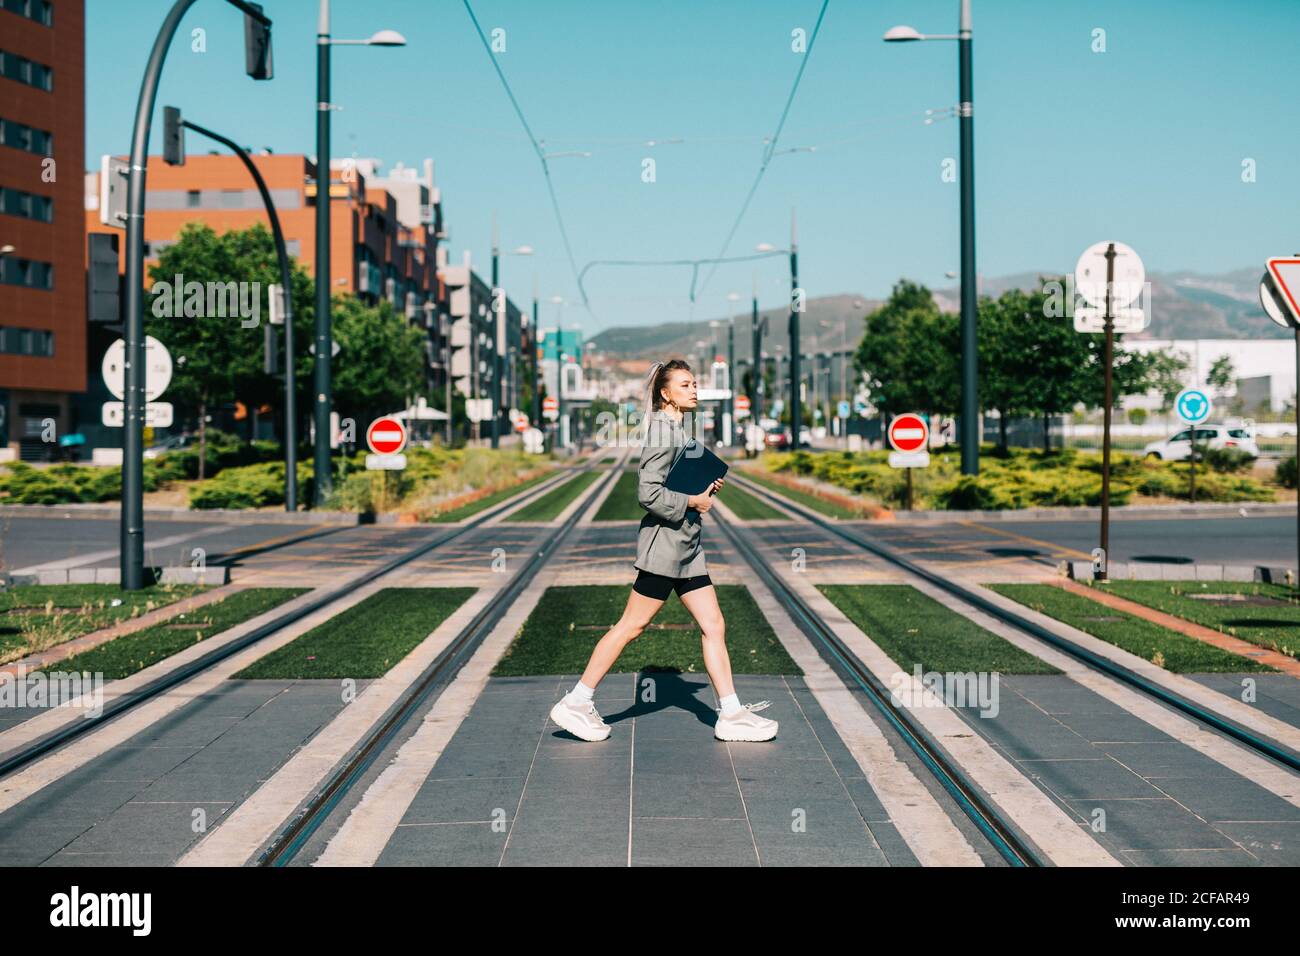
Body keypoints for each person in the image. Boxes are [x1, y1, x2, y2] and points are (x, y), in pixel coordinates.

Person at [548, 359, 779, 743]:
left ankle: (732, 713)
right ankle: (576, 701)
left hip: (686, 548)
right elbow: (647, 493)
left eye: (695, 383)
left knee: (714, 625)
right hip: (665, 549)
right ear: (665, 393)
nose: (694, 390)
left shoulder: (674, 429)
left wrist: (701, 491)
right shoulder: (660, 432)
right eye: (686, 385)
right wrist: (693, 501)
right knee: (631, 626)